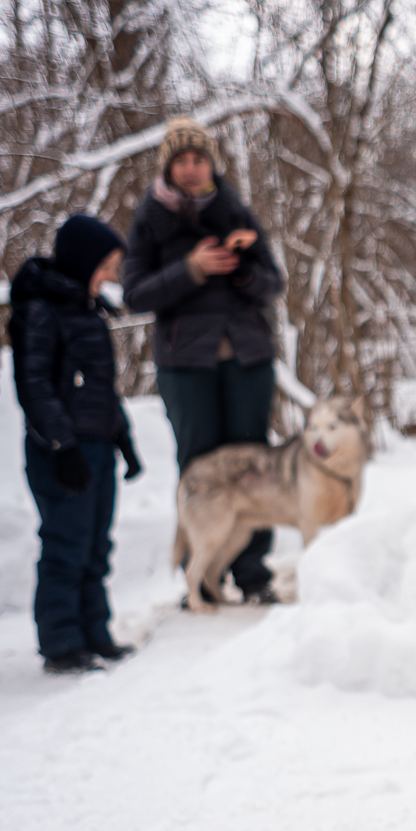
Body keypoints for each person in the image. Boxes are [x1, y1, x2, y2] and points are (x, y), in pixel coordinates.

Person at [123, 117, 285, 605]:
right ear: (168, 167)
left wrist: (239, 275)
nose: (192, 169)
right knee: (199, 466)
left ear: (211, 162)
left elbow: (272, 283)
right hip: (185, 364)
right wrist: (190, 270)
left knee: (254, 461)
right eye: (182, 161)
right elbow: (135, 293)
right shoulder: (150, 219)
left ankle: (254, 574)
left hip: (247, 357)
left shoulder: (236, 211)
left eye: (199, 159)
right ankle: (202, 578)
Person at [9, 215, 146, 675]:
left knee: (96, 545)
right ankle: (61, 642)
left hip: (97, 446)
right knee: (66, 543)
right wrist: (61, 446)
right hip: (61, 451)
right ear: (83, 261)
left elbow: (101, 388)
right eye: (104, 265)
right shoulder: (41, 310)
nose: (109, 276)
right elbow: (34, 386)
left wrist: (122, 437)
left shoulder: (88, 311)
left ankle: (94, 632)